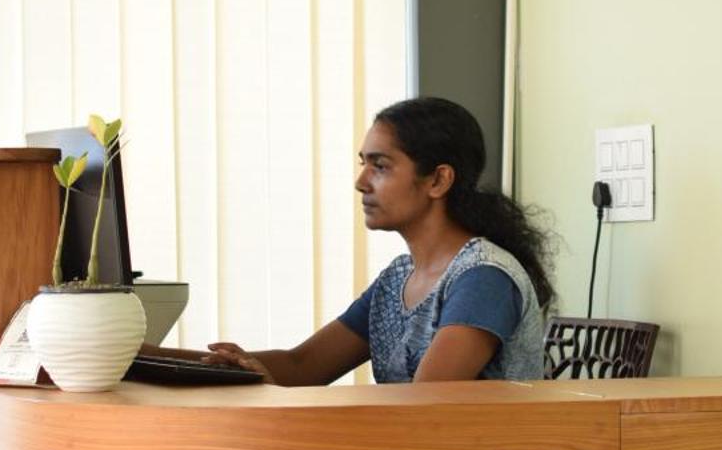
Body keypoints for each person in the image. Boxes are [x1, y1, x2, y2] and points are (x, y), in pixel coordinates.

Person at [209, 96, 553, 385]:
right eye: (364, 164)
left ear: (438, 180)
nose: (361, 182)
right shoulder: (398, 277)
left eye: (381, 166)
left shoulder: (485, 277)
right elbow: (304, 365)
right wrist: (207, 364)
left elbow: (423, 406)